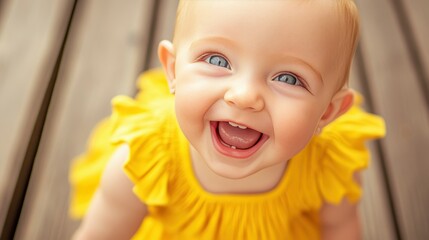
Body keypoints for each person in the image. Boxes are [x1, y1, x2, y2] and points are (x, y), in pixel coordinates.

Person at [69, 0, 385, 239]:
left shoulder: (329, 164)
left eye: (288, 79)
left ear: (327, 112)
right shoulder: (141, 163)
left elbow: (339, 229)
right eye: (218, 60)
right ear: (173, 70)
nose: (244, 95)